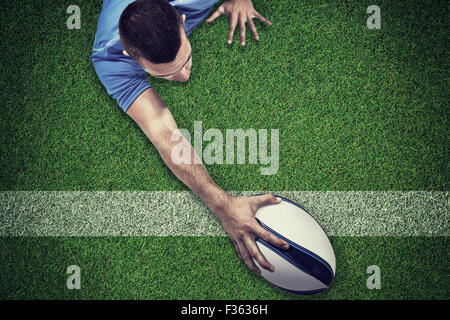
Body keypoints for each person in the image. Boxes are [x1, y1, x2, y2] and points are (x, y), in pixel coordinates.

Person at [90, 0, 288, 275]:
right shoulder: (109, 59)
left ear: (183, 21)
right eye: (166, 75)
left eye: (185, 60)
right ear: (129, 56)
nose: (184, 76)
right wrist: (222, 205)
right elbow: (164, 133)